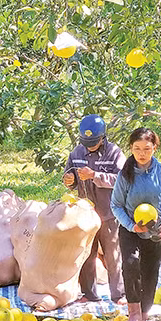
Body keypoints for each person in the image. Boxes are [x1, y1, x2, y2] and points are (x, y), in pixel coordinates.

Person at [111, 127, 161, 321]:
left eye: (147, 149)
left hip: (156, 232)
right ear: (131, 149)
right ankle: (133, 313)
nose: (141, 153)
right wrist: (132, 225)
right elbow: (116, 205)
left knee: (150, 271)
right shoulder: (125, 174)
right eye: (137, 148)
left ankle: (144, 318)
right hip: (130, 229)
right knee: (131, 265)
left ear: (155, 148)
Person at [63, 114, 126, 303]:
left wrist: (95, 175)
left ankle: (119, 294)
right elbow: (68, 176)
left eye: (93, 142)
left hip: (109, 213)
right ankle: (89, 294)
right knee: (87, 255)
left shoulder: (114, 153)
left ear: (102, 137)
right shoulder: (76, 153)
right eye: (86, 142)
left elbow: (123, 180)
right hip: (86, 214)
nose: (89, 146)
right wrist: (70, 180)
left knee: (113, 255)